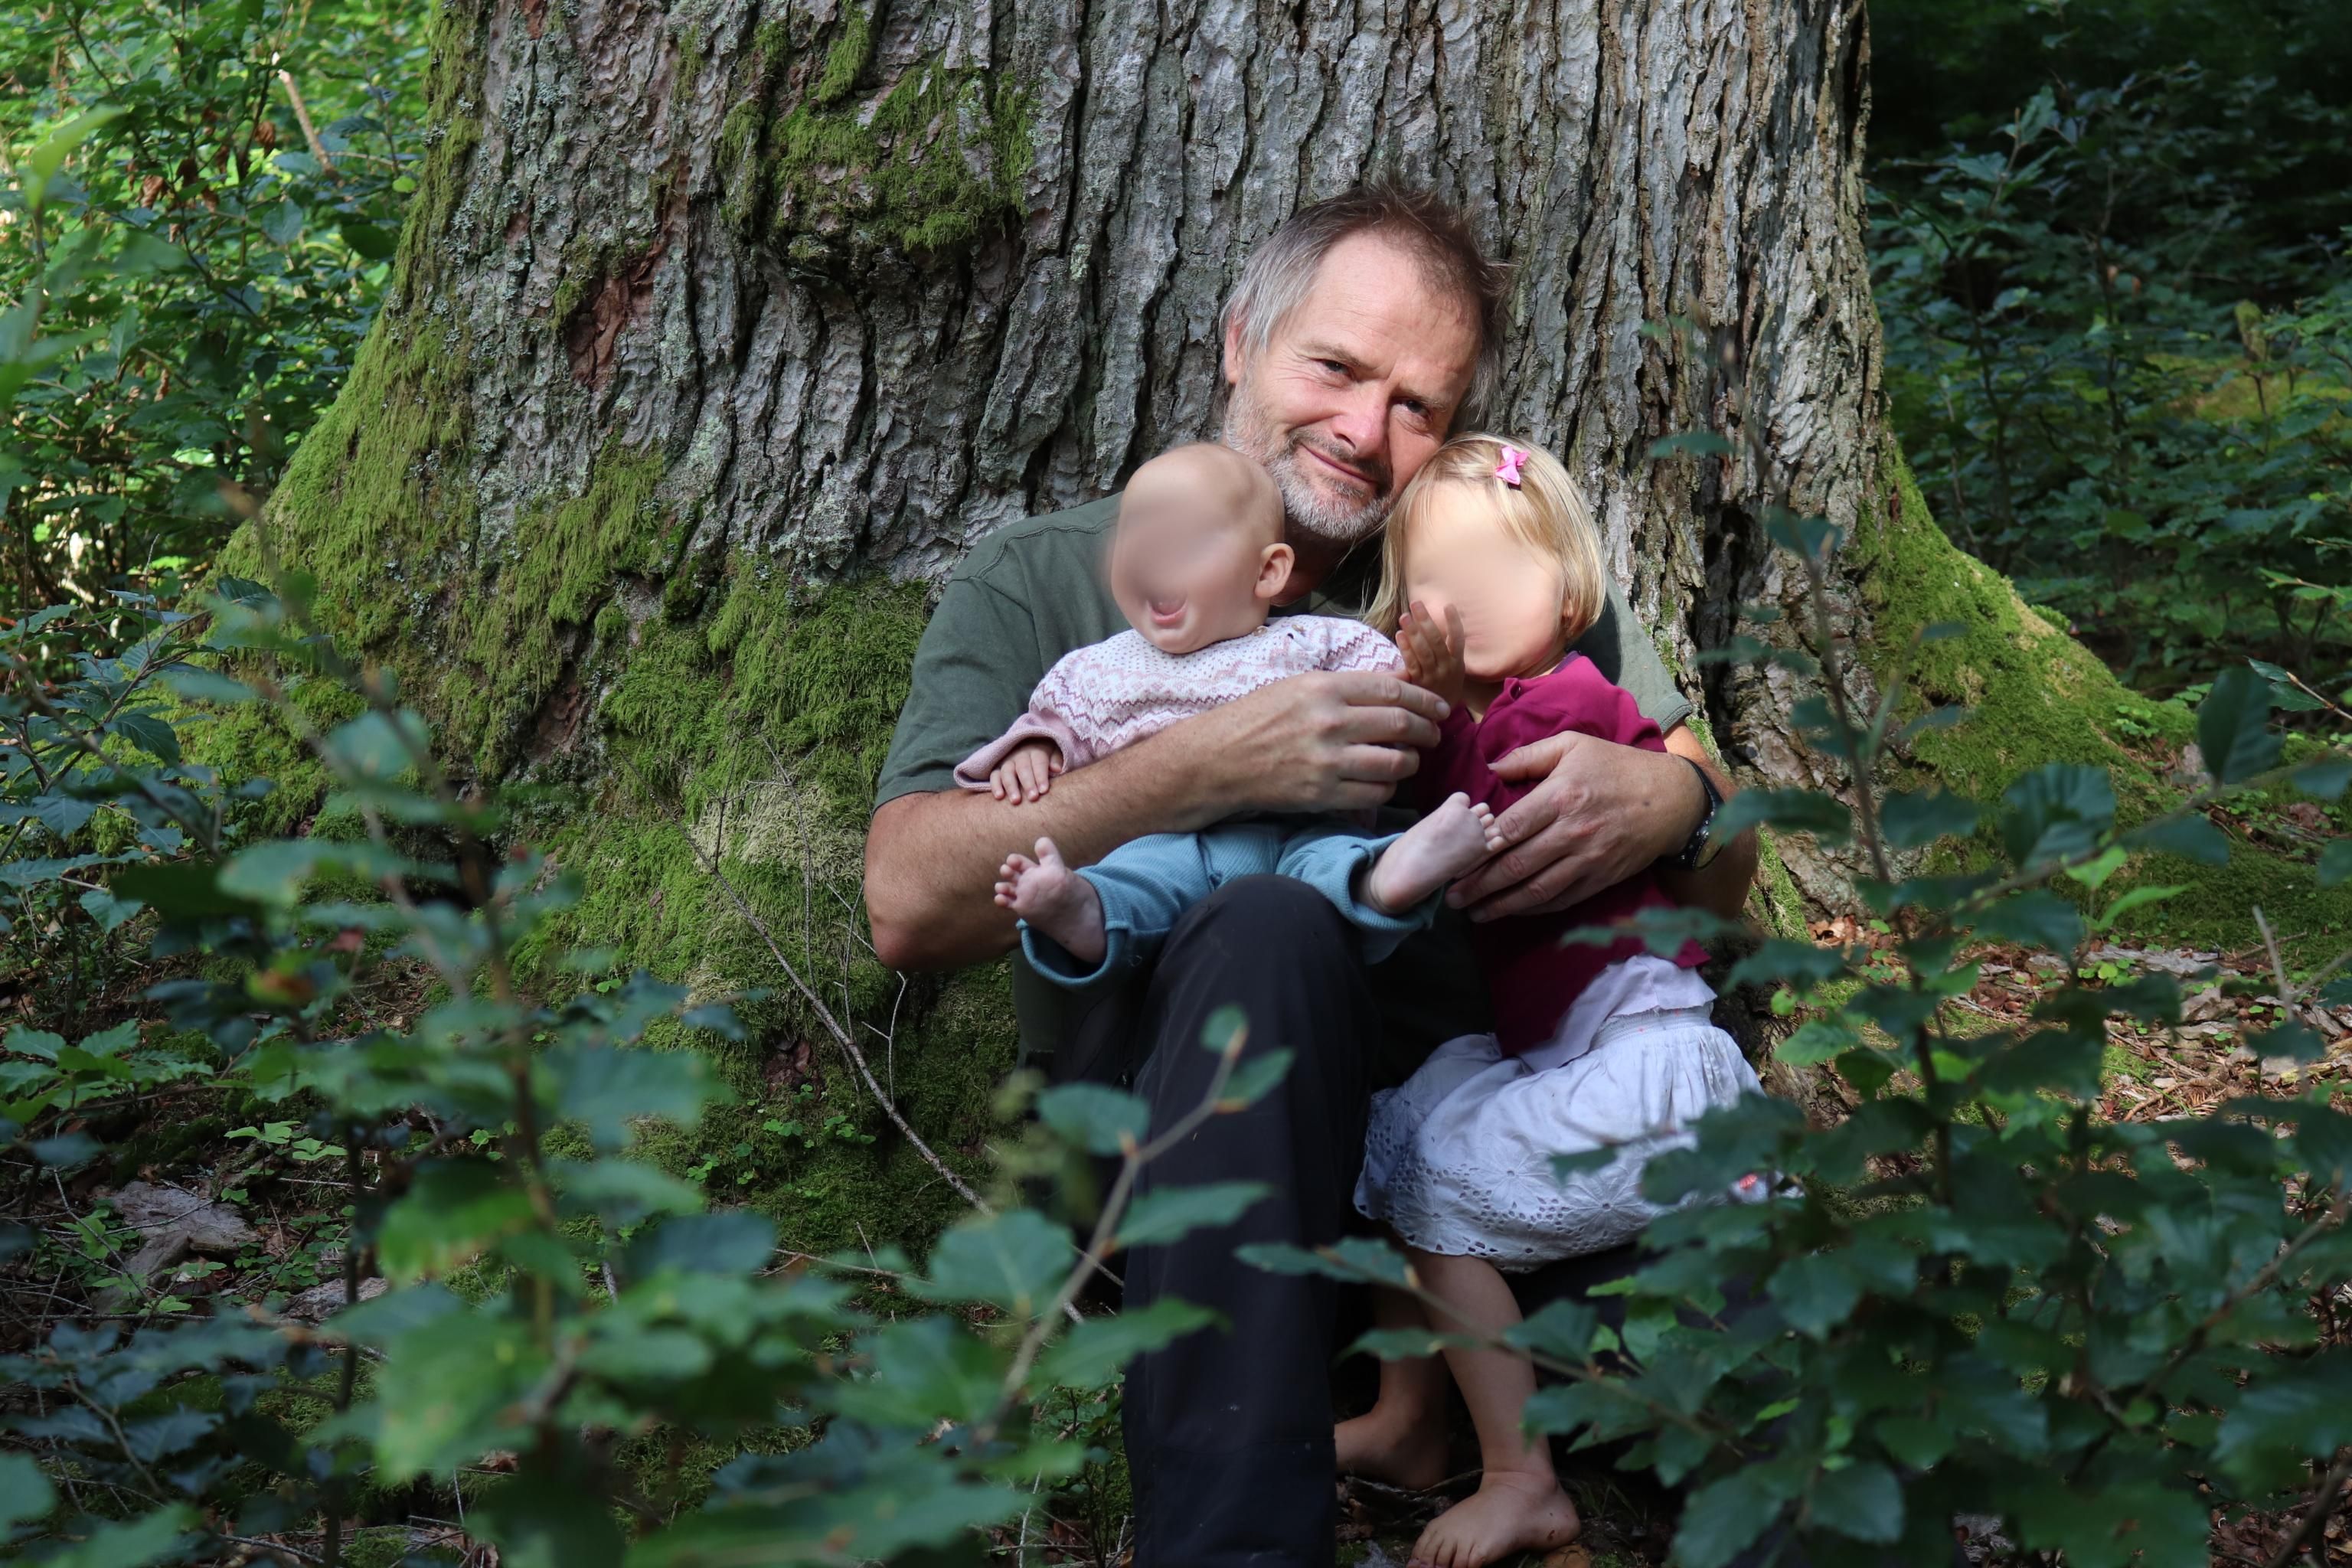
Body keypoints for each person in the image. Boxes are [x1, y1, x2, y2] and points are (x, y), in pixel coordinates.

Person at [865, 183, 1757, 1566]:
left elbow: (1725, 877)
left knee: (1784, 1395)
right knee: (1271, 922)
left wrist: (1674, 797)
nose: (1363, 427)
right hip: (1191, 1172)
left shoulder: (1485, 575)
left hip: (1473, 1191)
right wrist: (1203, 761)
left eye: (1417, 404)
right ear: (1240, 343)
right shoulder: (1051, 580)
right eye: (1334, 367)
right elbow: (908, 902)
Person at [1338, 435, 1765, 1568]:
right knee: (1401, 1126)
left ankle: (1524, 1477)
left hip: (1645, 1064)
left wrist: (1426, 704)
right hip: (1563, 1052)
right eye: (1440, 580)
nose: (1463, 603)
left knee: (1434, 1186)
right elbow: (1434, 789)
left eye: (1494, 574)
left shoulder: (1563, 700)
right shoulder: (1480, 715)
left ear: (1573, 597)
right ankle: (1406, 1416)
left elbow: (1479, 798)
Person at [969, 442, 1504, 982]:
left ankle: (1386, 881)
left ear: (1268, 571)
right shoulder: (1097, 667)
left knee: (1337, 863)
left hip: (1304, 829)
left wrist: (1428, 683)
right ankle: (1084, 911)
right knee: (1136, 879)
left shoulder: (1313, 641)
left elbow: (1389, 697)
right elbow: (1056, 721)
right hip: (1170, 842)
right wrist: (1032, 749)